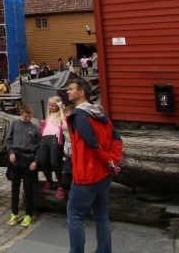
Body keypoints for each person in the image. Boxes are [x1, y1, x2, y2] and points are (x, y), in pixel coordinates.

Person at [66, 79, 123, 253]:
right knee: (101, 215)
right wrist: (113, 161)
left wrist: (108, 160)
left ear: (81, 92)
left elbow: (92, 143)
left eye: (71, 89)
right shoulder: (100, 113)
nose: (68, 92)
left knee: (74, 215)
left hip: (86, 175)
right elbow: (116, 139)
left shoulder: (80, 116)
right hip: (103, 175)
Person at [6, 103, 40, 228]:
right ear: (21, 114)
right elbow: (9, 140)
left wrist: (35, 161)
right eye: (26, 116)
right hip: (16, 158)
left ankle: (28, 214)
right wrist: (11, 152)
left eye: (29, 117)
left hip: (28, 159)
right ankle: (14, 213)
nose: (28, 119)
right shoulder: (15, 124)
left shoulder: (35, 128)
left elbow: (38, 147)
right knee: (14, 186)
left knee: (28, 187)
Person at [37, 96, 66, 199]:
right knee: (42, 161)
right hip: (45, 139)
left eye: (53, 106)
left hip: (55, 139)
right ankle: (50, 182)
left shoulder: (62, 116)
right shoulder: (48, 116)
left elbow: (65, 124)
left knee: (55, 163)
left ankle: (61, 187)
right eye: (49, 105)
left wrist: (61, 108)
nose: (51, 107)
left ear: (58, 106)